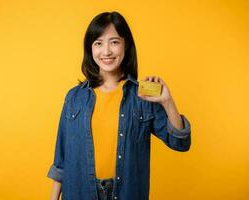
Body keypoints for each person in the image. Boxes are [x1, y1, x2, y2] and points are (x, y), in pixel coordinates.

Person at [47, 11, 191, 200]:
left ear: (126, 45)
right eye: (98, 43)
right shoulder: (75, 97)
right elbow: (61, 159)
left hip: (126, 193)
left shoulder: (143, 96)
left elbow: (180, 143)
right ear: (90, 49)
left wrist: (167, 102)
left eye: (114, 42)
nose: (106, 51)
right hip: (79, 192)